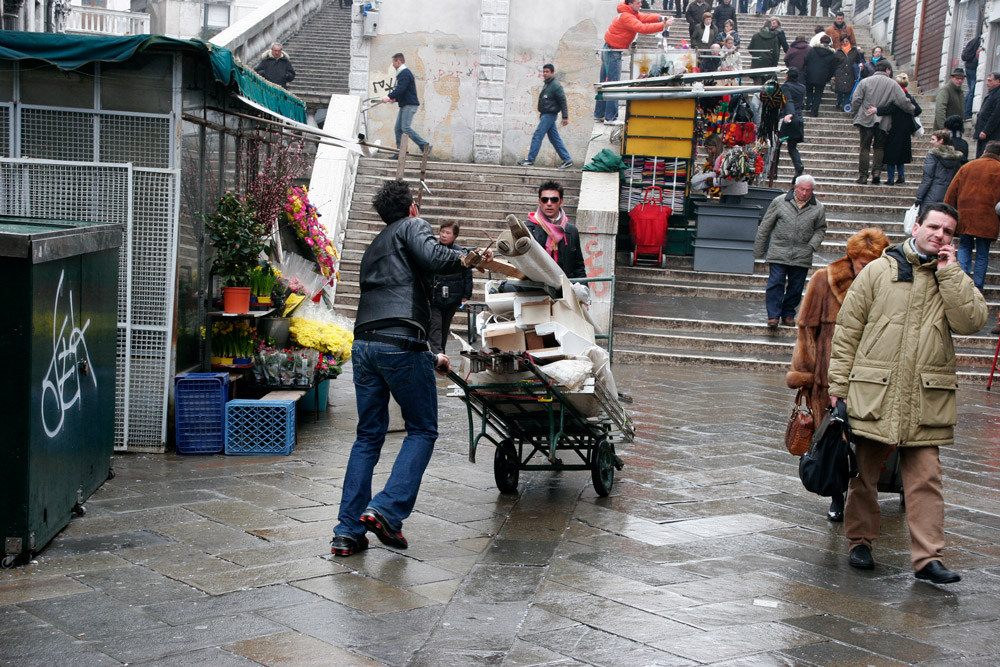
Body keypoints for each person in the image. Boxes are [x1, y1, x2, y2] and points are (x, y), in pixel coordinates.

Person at [828, 202, 987, 583]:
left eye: (948, 231)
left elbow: (972, 321)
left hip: (924, 395)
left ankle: (928, 558)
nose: (940, 235)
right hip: (874, 390)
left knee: (926, 478)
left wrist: (950, 274)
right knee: (863, 474)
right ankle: (860, 541)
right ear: (916, 227)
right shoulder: (879, 271)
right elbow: (848, 330)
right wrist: (838, 388)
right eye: (934, 227)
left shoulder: (952, 276)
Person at [330, 179, 491, 557]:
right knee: (422, 429)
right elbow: (437, 257)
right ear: (413, 208)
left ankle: (347, 532)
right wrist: (467, 258)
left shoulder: (373, 246)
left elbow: (391, 298)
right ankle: (386, 509)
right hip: (399, 344)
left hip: (366, 344)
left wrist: (430, 354)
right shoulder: (413, 226)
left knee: (368, 436)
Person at [786, 228, 889, 524]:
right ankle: (837, 496)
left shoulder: (888, 285)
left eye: (873, 262)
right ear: (852, 258)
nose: (866, 268)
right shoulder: (825, 280)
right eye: (862, 262)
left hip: (872, 376)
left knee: (864, 441)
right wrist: (804, 375)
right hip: (828, 378)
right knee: (836, 440)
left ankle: (862, 495)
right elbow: (807, 329)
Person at [753, 175, 827, 328]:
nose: (805, 193)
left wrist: (811, 246)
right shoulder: (779, 202)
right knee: (776, 282)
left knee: (796, 286)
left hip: (802, 252)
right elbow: (766, 225)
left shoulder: (818, 207)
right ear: (795, 187)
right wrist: (758, 250)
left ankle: (788, 313)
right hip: (779, 249)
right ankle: (773, 315)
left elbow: (820, 229)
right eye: (802, 189)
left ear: (812, 190)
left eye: (808, 190)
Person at [597, 0, 673, 125]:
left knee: (604, 83)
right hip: (613, 51)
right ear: (630, 3)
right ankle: (610, 117)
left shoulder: (629, 11)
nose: (641, 5)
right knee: (613, 85)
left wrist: (660, 17)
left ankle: (599, 114)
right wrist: (663, 25)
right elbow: (642, 27)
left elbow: (644, 17)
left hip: (609, 49)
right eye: (638, 3)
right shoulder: (627, 16)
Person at [944, 140, 1000, 290]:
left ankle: (963, 281)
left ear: (985, 151)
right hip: (988, 219)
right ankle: (978, 286)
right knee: (982, 253)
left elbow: (951, 192)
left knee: (964, 247)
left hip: (965, 216)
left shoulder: (968, 167)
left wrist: (948, 213)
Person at [850, 60, 914, 185]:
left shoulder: (865, 82)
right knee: (879, 148)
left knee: (864, 148)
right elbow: (902, 101)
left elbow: (856, 99)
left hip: (865, 118)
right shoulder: (893, 84)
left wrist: (856, 113)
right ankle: (876, 174)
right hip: (883, 121)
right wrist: (913, 109)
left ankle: (863, 176)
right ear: (888, 70)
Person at [525, 181, 586, 279]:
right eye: (545, 200)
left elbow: (578, 267)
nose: (549, 203)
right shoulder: (528, 229)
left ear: (561, 202)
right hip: (536, 286)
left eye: (554, 200)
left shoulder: (571, 231)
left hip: (565, 287)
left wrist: (583, 288)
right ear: (539, 202)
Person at [428, 222, 473, 356]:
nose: (443, 235)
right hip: (434, 296)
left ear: (455, 236)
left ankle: (440, 352)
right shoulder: (432, 249)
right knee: (435, 325)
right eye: (442, 232)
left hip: (453, 296)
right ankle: (437, 352)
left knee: (444, 326)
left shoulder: (460, 252)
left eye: (448, 233)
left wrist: (466, 294)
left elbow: (467, 274)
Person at [518, 64, 573, 169]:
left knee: (537, 135)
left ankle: (530, 159)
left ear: (552, 73)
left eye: (547, 72)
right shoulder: (548, 84)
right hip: (545, 115)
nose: (545, 74)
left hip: (550, 115)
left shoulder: (555, 85)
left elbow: (562, 101)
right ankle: (567, 159)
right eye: (543, 72)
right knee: (554, 139)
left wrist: (565, 117)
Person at [877, 73, 921, 186]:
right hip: (906, 130)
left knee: (891, 155)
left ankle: (891, 178)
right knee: (901, 155)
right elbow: (918, 110)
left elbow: (888, 109)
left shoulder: (896, 97)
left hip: (894, 129)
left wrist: (876, 110)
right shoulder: (909, 97)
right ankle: (901, 176)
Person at [382, 53, 430, 154]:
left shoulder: (404, 73)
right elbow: (405, 91)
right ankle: (400, 152)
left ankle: (424, 145)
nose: (393, 65)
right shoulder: (403, 73)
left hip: (409, 105)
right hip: (406, 104)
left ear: (398, 61)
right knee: (398, 129)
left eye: (393, 62)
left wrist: (389, 96)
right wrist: (395, 99)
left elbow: (401, 88)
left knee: (405, 128)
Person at [914, 130, 963, 215]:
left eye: (933, 139)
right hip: (947, 194)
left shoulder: (932, 156)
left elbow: (927, 178)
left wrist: (919, 197)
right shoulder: (956, 158)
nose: (930, 142)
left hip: (931, 194)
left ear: (941, 140)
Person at [780, 68, 806, 181]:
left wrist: (789, 114)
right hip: (798, 119)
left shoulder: (786, 87)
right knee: (792, 147)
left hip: (788, 118)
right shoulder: (802, 87)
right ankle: (798, 165)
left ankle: (773, 172)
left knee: (777, 145)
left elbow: (788, 100)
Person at [803, 34, 835, 117]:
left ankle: (809, 101)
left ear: (820, 41)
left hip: (810, 74)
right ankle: (814, 112)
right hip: (822, 77)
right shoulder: (831, 54)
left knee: (809, 89)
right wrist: (828, 78)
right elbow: (832, 68)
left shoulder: (812, 50)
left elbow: (805, 60)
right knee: (818, 95)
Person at [832, 35, 862, 111]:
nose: (845, 43)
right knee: (840, 89)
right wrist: (834, 75)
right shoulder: (838, 52)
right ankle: (839, 101)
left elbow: (860, 60)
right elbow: (834, 63)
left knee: (849, 90)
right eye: (843, 41)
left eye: (846, 41)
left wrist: (860, 64)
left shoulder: (855, 51)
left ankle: (844, 105)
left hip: (850, 73)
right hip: (840, 73)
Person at [974, 72, 1000, 158]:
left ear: (998, 81)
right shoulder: (992, 94)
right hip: (984, 133)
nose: (987, 83)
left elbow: (996, 115)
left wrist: (986, 131)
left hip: (991, 135)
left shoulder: (997, 95)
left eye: (990, 80)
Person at [962, 34, 981, 120]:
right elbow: (978, 56)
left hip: (968, 67)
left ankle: (963, 110)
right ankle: (967, 114)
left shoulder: (975, 40)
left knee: (970, 92)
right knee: (973, 92)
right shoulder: (981, 41)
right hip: (974, 69)